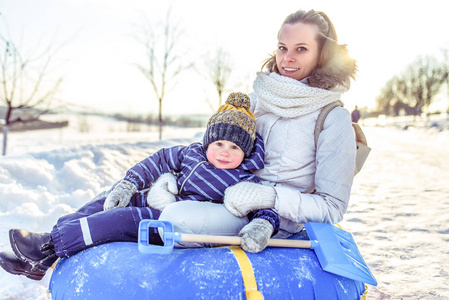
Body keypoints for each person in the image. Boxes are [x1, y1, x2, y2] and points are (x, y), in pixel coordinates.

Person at [0, 92, 279, 281]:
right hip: (149, 199)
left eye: (234, 147)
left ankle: (47, 247)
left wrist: (262, 225)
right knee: (101, 202)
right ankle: (45, 250)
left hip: (167, 220)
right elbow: (155, 162)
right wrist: (129, 183)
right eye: (219, 143)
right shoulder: (190, 153)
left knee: (115, 220)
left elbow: (265, 207)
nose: (224, 152)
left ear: (246, 152)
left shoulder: (243, 178)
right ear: (208, 141)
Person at [158, 9, 357, 253]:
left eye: (301, 49)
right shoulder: (256, 101)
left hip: (271, 220)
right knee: (140, 195)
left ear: (323, 55)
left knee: (175, 219)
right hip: (219, 196)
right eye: (283, 48)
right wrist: (171, 178)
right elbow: (213, 147)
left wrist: (269, 198)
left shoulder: (333, 118)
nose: (287, 58)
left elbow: (332, 206)